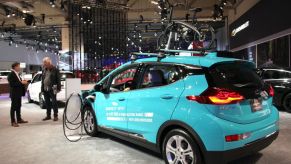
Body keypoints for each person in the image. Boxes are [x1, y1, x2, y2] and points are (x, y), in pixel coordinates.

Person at [7, 62, 28, 127]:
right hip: (14, 94)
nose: (19, 67)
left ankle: (19, 119)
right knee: (13, 108)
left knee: (18, 106)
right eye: (18, 66)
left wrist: (22, 82)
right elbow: (12, 84)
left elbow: (18, 82)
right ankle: (13, 121)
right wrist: (21, 82)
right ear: (15, 67)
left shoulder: (17, 74)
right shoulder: (11, 74)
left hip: (18, 94)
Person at [41, 57, 61, 121]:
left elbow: (58, 79)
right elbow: (42, 80)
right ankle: (48, 115)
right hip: (45, 88)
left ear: (49, 63)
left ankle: (55, 115)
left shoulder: (55, 69)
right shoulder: (44, 70)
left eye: (45, 63)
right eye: (44, 63)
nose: (44, 64)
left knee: (54, 102)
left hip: (54, 87)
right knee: (47, 102)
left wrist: (59, 88)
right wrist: (42, 89)